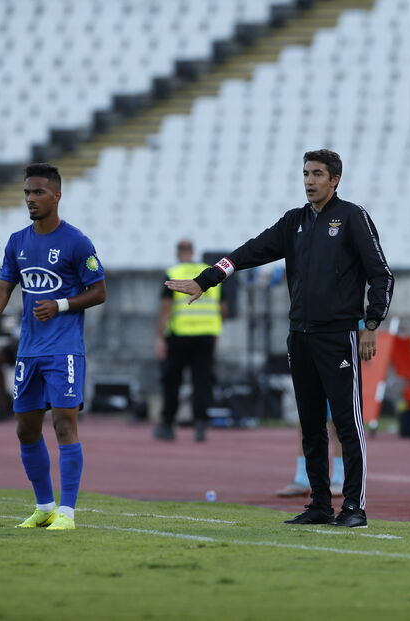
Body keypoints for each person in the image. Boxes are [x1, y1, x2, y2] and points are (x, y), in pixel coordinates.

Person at [166, 149, 393, 528]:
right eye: (305, 173)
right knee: (309, 423)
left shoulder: (353, 217)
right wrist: (206, 280)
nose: (309, 180)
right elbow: (249, 251)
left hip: (337, 336)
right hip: (299, 336)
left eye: (317, 174)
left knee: (346, 422)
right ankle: (319, 504)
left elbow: (381, 274)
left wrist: (370, 324)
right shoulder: (294, 222)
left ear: (334, 179)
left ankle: (354, 507)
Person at [0, 163, 107, 530]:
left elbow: (99, 291)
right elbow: (3, 288)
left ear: (56, 196)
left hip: (65, 349)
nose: (31, 199)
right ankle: (44, 507)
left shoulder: (77, 242)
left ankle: (68, 513)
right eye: (27, 192)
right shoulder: (17, 241)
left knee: (63, 425)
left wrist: (61, 305)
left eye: (38, 192)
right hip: (29, 351)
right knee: (25, 430)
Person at [155, 239, 225, 442]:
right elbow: (223, 308)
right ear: (193, 252)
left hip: (179, 335)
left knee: (172, 381)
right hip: (206, 335)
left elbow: (166, 307)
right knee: (202, 381)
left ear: (178, 253)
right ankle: (201, 425)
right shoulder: (208, 271)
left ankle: (168, 425)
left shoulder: (173, 273)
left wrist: (159, 337)